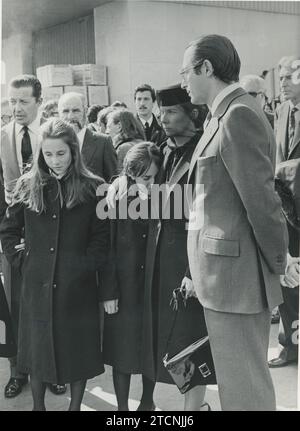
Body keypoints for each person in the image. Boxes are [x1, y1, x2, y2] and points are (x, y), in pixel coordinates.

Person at [181, 34, 288, 410]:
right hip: (221, 278)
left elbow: (261, 202)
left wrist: (280, 261)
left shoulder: (238, 114)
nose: (183, 82)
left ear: (206, 68)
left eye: (186, 72)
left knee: (245, 392)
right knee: (234, 386)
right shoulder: (221, 114)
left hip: (237, 281)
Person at [0, 118, 112, 411]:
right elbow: (8, 230)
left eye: (60, 154)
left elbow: (102, 240)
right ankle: (39, 407)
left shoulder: (93, 187)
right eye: (48, 154)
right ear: (40, 154)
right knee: (37, 353)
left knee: (78, 351)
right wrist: (22, 260)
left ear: (73, 151)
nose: (54, 161)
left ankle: (75, 407)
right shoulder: (28, 185)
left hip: (78, 288)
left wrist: (83, 266)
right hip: (36, 286)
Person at [140, 84, 214, 411]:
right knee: (170, 340)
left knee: (191, 340)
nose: (163, 118)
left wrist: (192, 271)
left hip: (189, 262)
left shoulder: (204, 152)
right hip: (162, 259)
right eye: (161, 112)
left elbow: (207, 216)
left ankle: (193, 411)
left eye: (171, 112)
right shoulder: (164, 148)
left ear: (192, 114)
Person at [102, 142, 161, 411]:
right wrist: (109, 292)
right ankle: (122, 408)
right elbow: (108, 249)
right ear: (130, 172)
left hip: (152, 284)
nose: (147, 183)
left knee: (151, 346)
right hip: (123, 287)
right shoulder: (115, 198)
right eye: (142, 178)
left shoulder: (162, 196)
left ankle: (147, 401)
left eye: (152, 178)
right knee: (121, 350)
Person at [268, 55, 300, 368]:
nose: (284, 86)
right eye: (281, 81)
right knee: (289, 281)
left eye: (289, 79)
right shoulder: (281, 111)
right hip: (285, 211)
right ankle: (290, 347)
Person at [58, 92, 117, 182]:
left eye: (76, 111)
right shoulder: (53, 143)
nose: (70, 116)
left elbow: (113, 181)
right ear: (59, 114)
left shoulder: (103, 142)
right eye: (65, 111)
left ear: (85, 112)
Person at [106, 109, 145, 173]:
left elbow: (117, 176)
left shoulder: (123, 148)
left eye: (109, 127)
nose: (106, 131)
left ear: (119, 126)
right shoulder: (141, 143)